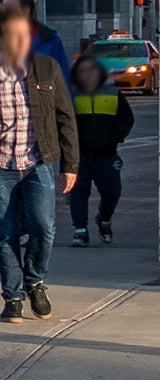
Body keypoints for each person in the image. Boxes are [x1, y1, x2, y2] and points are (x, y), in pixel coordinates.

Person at [0, 0, 79, 323]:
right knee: (6, 232)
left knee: (44, 227)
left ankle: (35, 280)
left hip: (38, 162)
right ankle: (12, 297)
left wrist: (70, 165)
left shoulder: (47, 68)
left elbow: (66, 117)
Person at [65, 55, 135, 248]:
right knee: (78, 192)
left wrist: (115, 137)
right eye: (83, 71)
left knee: (112, 192)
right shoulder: (72, 94)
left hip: (106, 154)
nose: (87, 74)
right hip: (80, 155)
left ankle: (104, 219)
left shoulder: (113, 93)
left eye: (92, 70)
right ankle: (80, 230)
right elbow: (62, 121)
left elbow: (127, 119)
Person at [0, 0, 72, 83]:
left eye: (9, 7)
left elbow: (63, 81)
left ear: (26, 11)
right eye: (3, 6)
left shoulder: (49, 40)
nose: (3, 11)